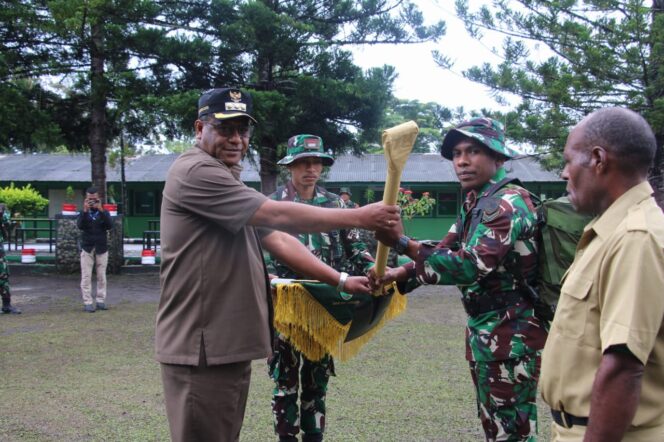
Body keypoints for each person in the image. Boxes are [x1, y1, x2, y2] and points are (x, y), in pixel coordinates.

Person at [156, 87, 399, 442]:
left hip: (223, 344)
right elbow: (276, 214)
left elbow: (276, 238)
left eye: (243, 130)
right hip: (201, 345)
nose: (236, 139)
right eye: (225, 128)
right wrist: (360, 216)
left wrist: (342, 280)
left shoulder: (224, 177)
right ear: (199, 128)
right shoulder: (196, 171)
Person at [371, 117, 548, 441]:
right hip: (488, 333)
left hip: (512, 335)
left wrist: (401, 243)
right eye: (456, 153)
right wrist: (398, 274)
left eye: (473, 151)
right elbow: (445, 250)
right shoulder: (476, 202)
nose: (462, 161)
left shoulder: (506, 204)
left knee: (514, 433)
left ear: (498, 157)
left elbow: (469, 266)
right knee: (496, 429)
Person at [539, 108, 664, 441]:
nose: (564, 173)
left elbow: (623, 367)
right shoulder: (609, 232)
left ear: (598, 159)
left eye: (568, 161)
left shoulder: (636, 238)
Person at [269, 135, 375, 442]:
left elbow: (355, 245)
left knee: (316, 383)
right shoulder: (273, 205)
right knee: (284, 383)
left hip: (326, 306)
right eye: (303, 162)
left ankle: (314, 436)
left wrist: (372, 268)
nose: (310, 169)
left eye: (316, 162)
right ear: (290, 166)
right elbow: (264, 257)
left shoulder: (336, 205)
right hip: (286, 307)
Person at [76, 186, 113, 313]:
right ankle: (87, 302)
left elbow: (109, 225)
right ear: (86, 199)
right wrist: (85, 210)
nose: (92, 201)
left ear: (99, 198)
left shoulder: (104, 212)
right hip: (87, 247)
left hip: (101, 247)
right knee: (86, 276)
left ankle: (101, 300)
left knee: (101, 276)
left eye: (94, 199)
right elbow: (80, 226)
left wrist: (101, 210)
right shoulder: (83, 213)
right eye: (89, 199)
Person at [0, 203, 21, 314]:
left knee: (3, 276)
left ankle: (6, 305)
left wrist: (2, 214)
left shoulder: (2, 210)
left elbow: (8, 228)